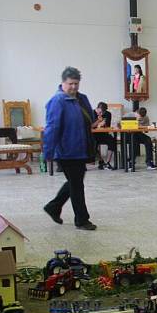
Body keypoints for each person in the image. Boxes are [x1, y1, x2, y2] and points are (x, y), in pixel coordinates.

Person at [42, 66, 97, 231]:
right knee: (77, 184)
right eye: (70, 84)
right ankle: (81, 219)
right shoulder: (57, 101)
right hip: (66, 151)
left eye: (76, 84)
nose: (73, 87)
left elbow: (90, 119)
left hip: (81, 148)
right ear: (63, 83)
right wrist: (48, 152)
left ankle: (53, 206)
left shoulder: (82, 99)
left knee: (75, 181)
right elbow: (52, 128)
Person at [92, 102, 115, 170]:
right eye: (101, 112)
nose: (102, 114)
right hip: (93, 135)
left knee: (112, 141)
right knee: (93, 145)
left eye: (103, 112)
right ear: (97, 108)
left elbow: (107, 126)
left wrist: (102, 124)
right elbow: (91, 126)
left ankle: (107, 163)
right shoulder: (91, 113)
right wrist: (98, 121)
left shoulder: (108, 114)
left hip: (103, 134)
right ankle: (101, 161)